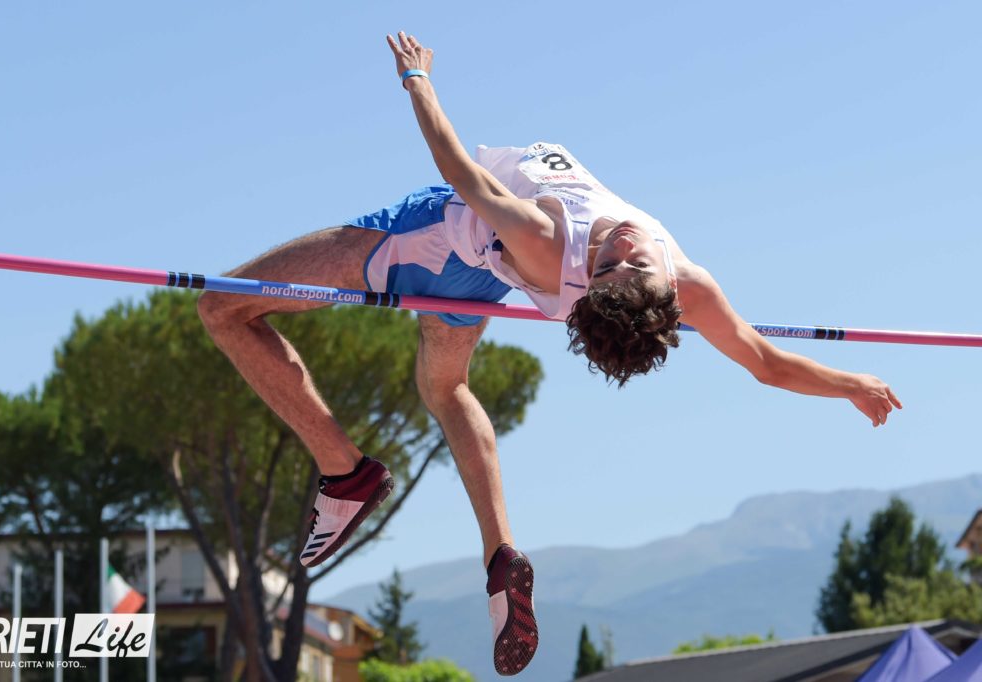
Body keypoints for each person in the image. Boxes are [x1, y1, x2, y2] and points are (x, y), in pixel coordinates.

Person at [198, 32, 902, 676]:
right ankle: (501, 555)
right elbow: (764, 362)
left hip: (435, 235)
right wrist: (850, 383)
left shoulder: (549, 238)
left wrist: (417, 79)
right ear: (664, 296)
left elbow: (459, 170)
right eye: (618, 262)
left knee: (223, 307)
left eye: (616, 263)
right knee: (445, 389)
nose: (619, 246)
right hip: (481, 276)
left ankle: (344, 471)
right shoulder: (686, 282)